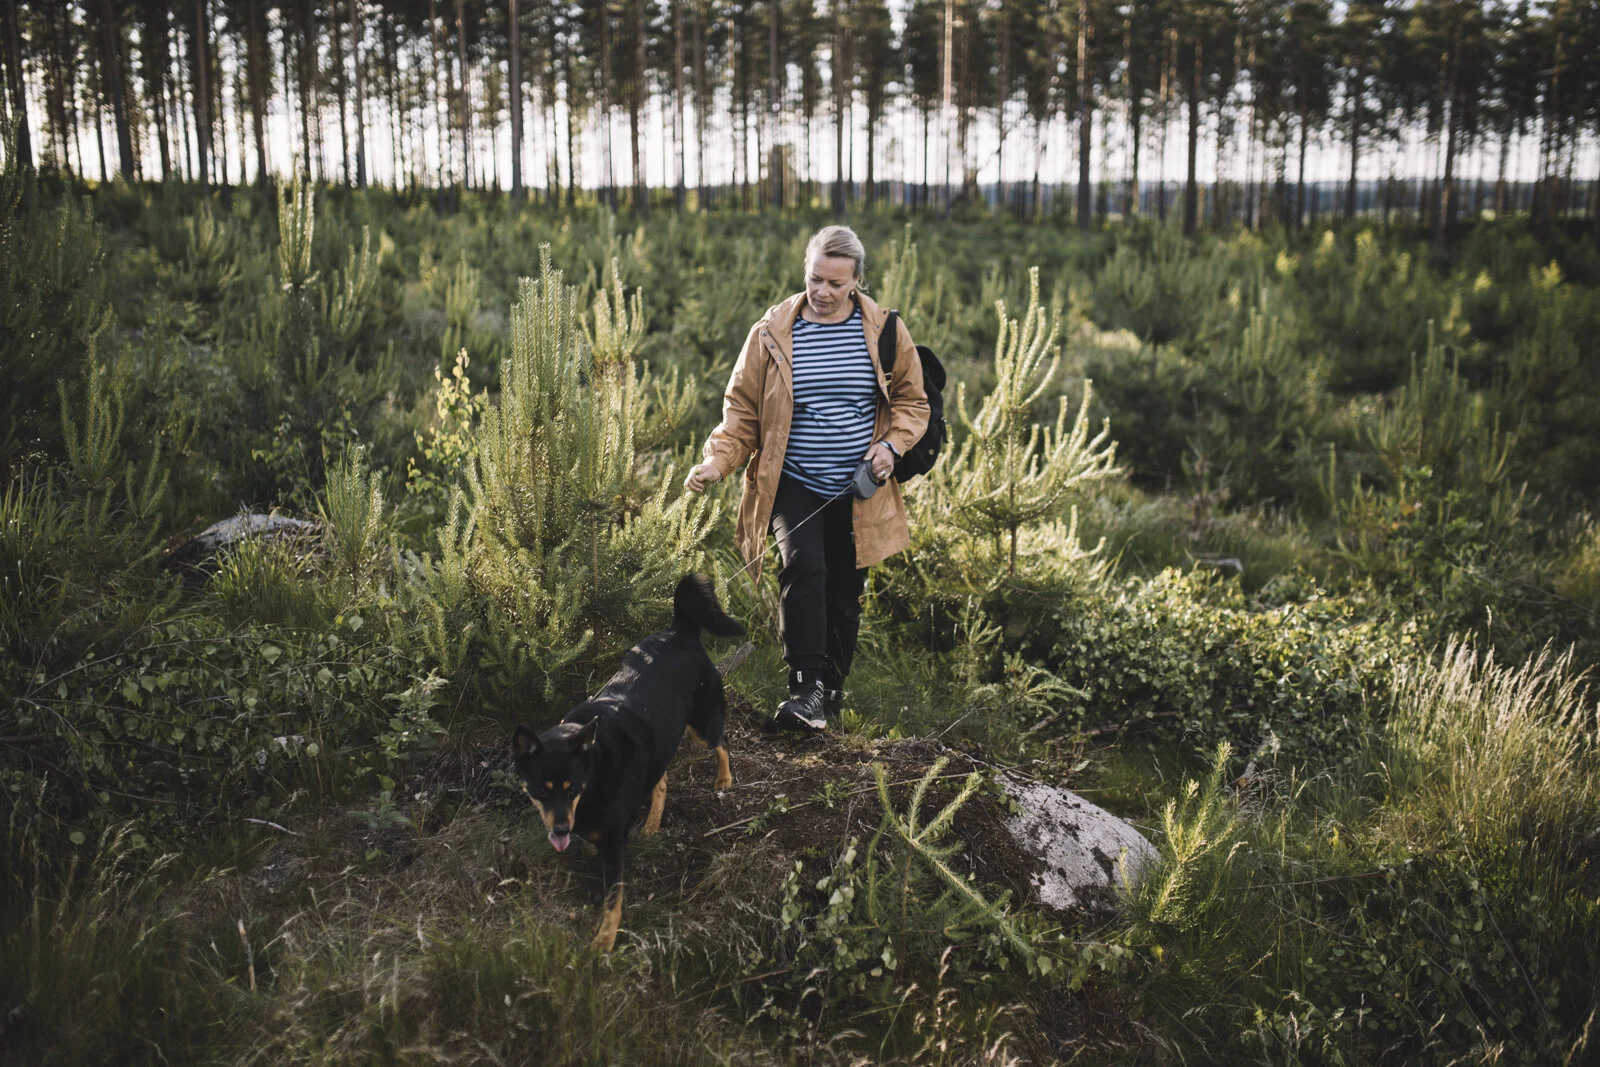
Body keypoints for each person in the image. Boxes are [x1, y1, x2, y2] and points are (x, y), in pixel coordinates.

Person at [683, 226, 929, 732]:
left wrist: (890, 445)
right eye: (816, 279)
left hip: (859, 489)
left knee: (844, 592)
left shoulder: (885, 331)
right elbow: (742, 414)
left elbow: (912, 402)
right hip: (791, 480)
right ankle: (803, 691)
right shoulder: (771, 332)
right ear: (805, 272)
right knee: (803, 568)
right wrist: (717, 461)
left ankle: (831, 692)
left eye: (836, 283)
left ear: (857, 281)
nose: (823, 292)